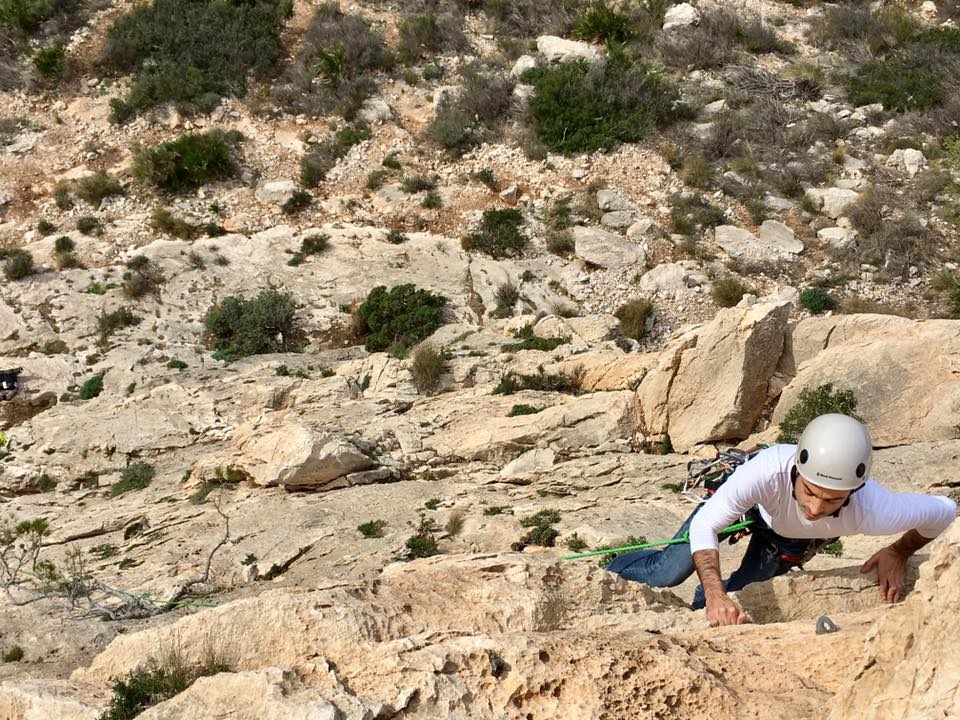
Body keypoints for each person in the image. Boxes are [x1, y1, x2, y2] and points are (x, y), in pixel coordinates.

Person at [606, 414, 957, 627]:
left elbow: (943, 511)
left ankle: (703, 607)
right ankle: (611, 573)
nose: (816, 508)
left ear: (855, 490)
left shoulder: (876, 508)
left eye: (832, 499)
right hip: (750, 508)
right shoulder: (766, 469)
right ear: (796, 470)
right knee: (667, 571)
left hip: (789, 540)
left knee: (742, 594)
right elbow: (705, 526)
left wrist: (899, 550)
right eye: (809, 491)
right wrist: (717, 592)